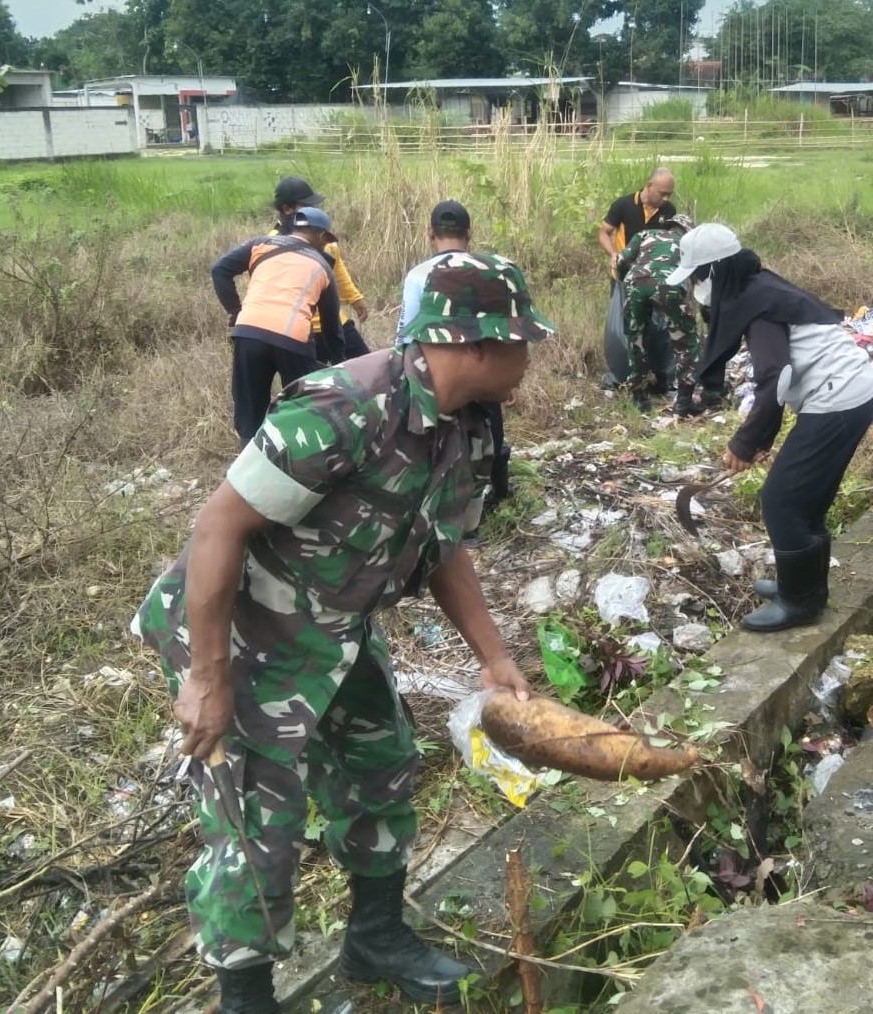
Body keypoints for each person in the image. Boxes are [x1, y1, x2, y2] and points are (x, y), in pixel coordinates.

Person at [134, 250, 553, 1014]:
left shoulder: (463, 424)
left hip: (337, 623)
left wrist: (494, 657)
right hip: (246, 631)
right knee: (260, 821)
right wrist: (206, 675)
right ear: (473, 342)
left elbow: (441, 546)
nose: (531, 357)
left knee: (382, 764)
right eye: (522, 341)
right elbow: (218, 526)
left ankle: (375, 937)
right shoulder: (342, 407)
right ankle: (248, 996)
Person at [668, 223, 873, 631]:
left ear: (715, 272)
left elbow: (776, 377)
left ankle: (798, 603)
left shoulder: (757, 304)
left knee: (781, 501)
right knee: (808, 500)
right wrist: (762, 434)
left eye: (697, 277)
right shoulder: (756, 287)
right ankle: (805, 588)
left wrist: (748, 440)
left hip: (837, 399)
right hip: (851, 392)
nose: (695, 287)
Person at [398, 201, 512, 533]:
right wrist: (507, 379)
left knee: (436, 439)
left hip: (437, 374)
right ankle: (492, 501)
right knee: (490, 432)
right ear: (470, 232)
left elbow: (407, 331)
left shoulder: (419, 275)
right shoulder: (491, 269)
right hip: (484, 369)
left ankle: (440, 513)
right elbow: (503, 330)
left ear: (430, 233)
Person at [212, 207, 341, 446]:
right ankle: (298, 459)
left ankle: (249, 461)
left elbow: (219, 270)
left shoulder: (261, 244)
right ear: (321, 236)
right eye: (326, 241)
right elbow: (332, 327)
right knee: (302, 407)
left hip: (248, 332)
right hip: (292, 340)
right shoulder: (323, 267)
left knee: (250, 409)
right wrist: (340, 364)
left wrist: (235, 311)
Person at [268, 177, 372, 361]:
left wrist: (355, 299)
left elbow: (337, 269)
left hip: (334, 323)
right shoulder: (271, 243)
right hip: (299, 330)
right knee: (309, 386)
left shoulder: (320, 234)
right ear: (287, 209)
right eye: (306, 205)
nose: (313, 210)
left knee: (366, 370)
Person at [617, 213, 702, 415]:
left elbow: (621, 260)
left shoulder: (644, 234)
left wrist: (624, 282)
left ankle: (638, 397)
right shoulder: (688, 244)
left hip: (634, 284)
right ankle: (683, 402)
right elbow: (696, 278)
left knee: (636, 340)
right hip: (669, 286)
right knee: (686, 342)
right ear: (688, 231)